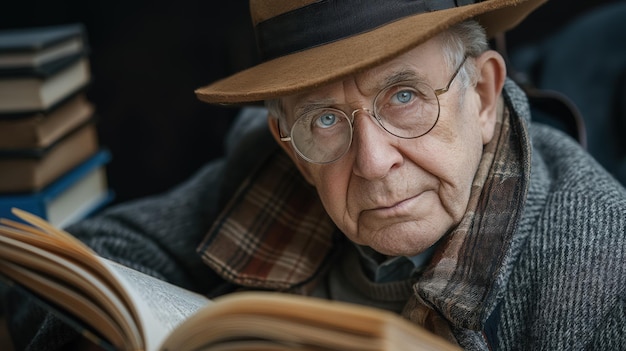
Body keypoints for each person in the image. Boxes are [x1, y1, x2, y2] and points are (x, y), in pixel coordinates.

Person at [6, 0, 626, 349]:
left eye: (404, 96)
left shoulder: (603, 265)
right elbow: (101, 256)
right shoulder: (264, 167)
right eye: (326, 119)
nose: (373, 161)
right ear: (290, 144)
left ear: (485, 97)